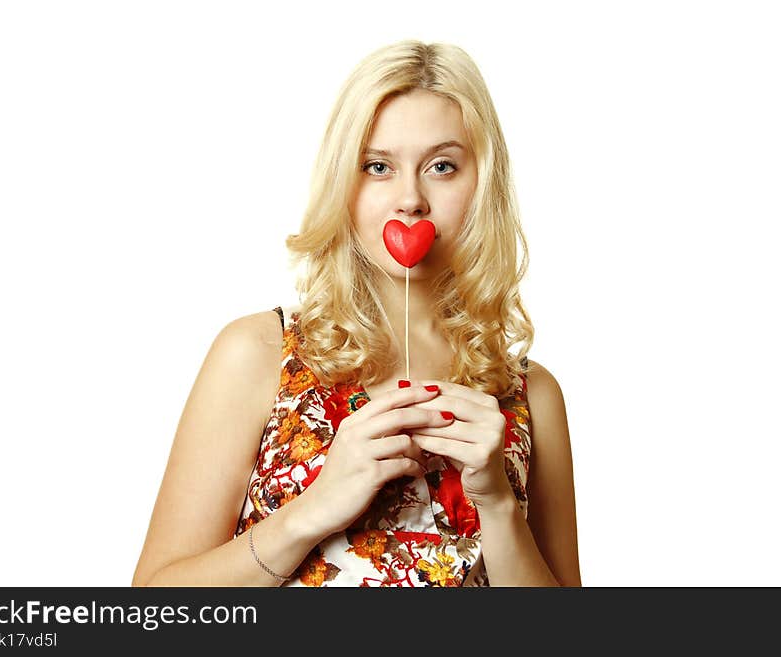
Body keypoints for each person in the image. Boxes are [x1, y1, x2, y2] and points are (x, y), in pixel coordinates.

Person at [131, 39, 580, 587]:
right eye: (377, 166)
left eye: (442, 166)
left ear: (482, 184)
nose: (410, 198)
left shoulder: (530, 396)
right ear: (345, 182)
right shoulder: (258, 355)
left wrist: (498, 503)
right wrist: (312, 510)